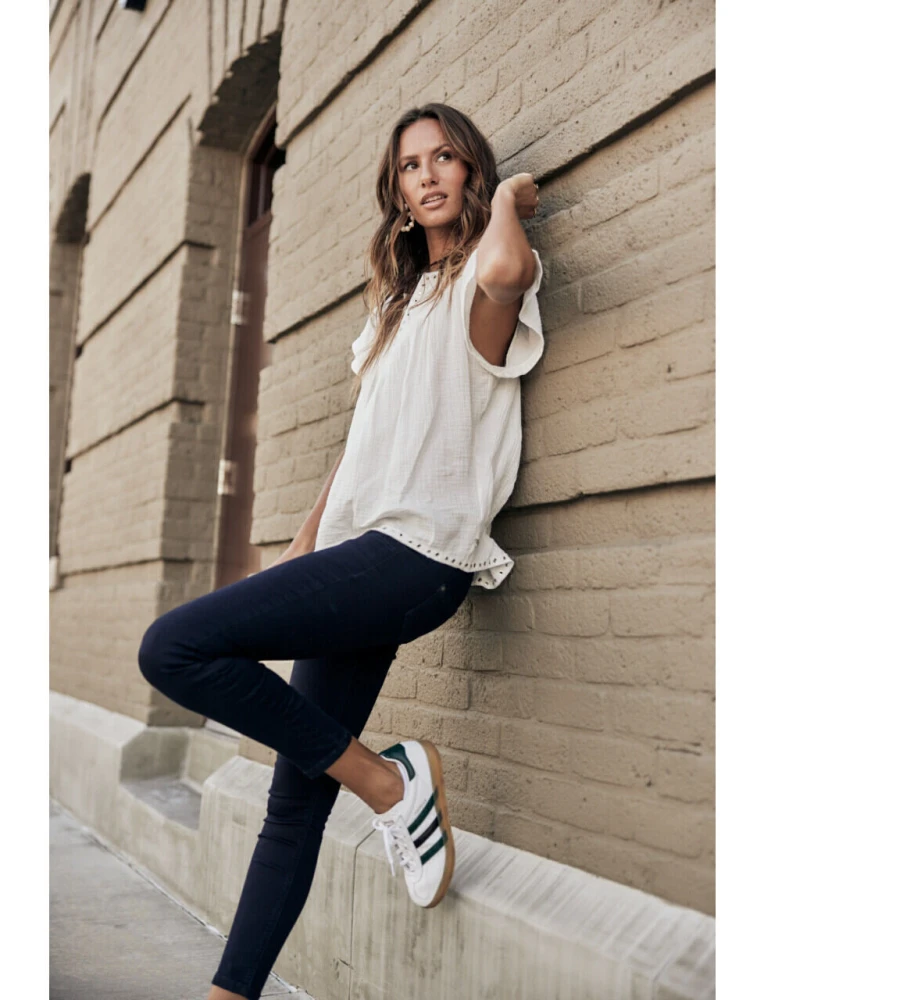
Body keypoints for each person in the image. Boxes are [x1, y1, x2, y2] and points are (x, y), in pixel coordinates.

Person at [138, 102, 546, 1000]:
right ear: (395, 191)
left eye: (446, 158)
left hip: (418, 558)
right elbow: (360, 450)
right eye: (410, 166)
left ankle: (387, 784)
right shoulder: (397, 309)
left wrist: (512, 197)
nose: (428, 175)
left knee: (173, 647)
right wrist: (301, 545)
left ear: (470, 172)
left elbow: (508, 268)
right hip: (358, 559)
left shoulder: (482, 283)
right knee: (291, 806)